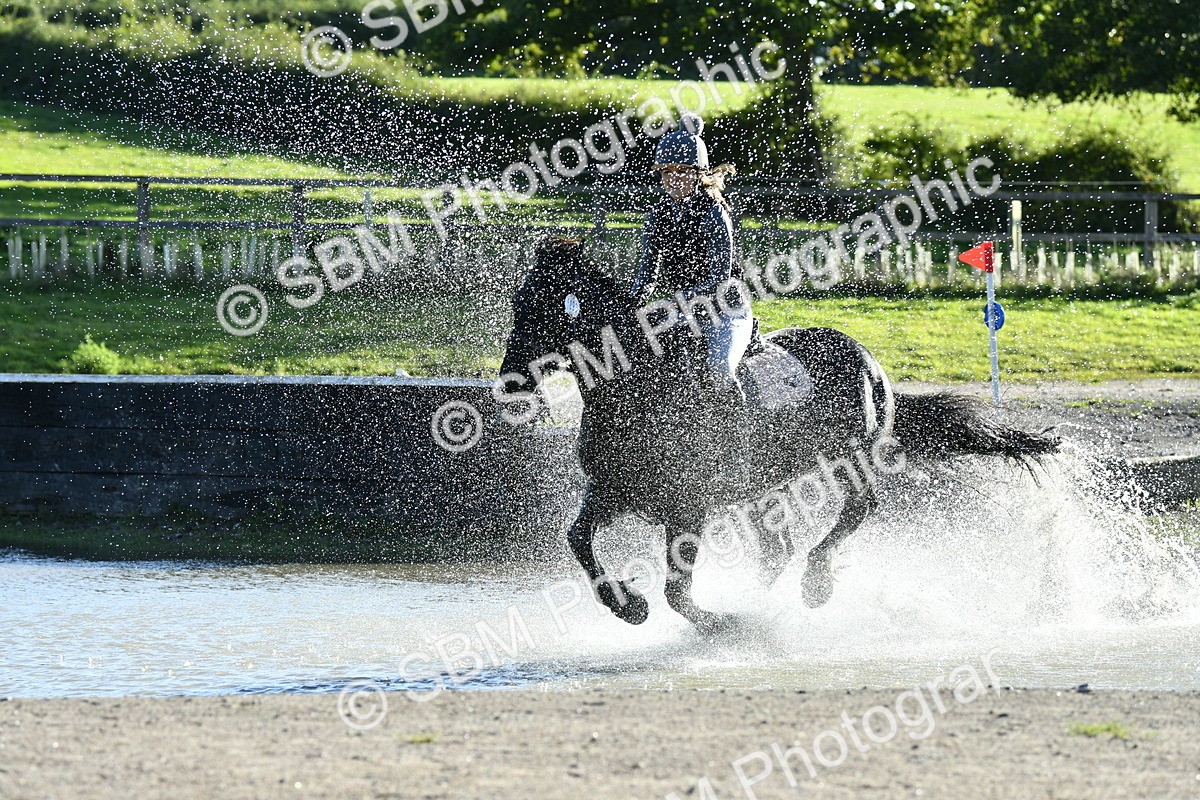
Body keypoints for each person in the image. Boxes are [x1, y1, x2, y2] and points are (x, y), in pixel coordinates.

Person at [630, 113, 753, 408]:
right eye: (667, 172)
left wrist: (674, 302)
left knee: (721, 371)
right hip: (683, 313)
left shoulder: (714, 212)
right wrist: (628, 303)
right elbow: (647, 277)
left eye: (682, 171)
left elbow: (718, 281)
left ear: (698, 173)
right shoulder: (657, 215)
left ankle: (744, 430)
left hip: (725, 312)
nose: (674, 179)